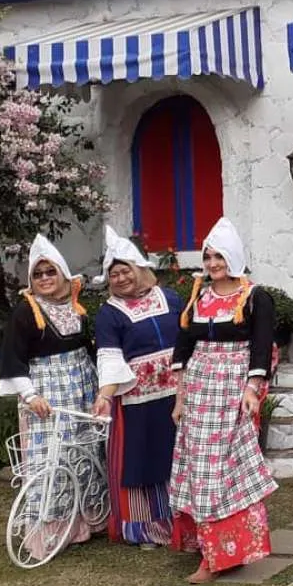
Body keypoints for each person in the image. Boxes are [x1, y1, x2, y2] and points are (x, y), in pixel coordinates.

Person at [168, 217, 278, 583]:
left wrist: (252, 390)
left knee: (226, 470)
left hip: (233, 389)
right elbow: (184, 346)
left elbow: (261, 348)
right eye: (208, 256)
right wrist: (180, 398)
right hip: (200, 389)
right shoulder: (200, 295)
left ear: (234, 257)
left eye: (219, 256)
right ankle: (211, 547)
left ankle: (225, 552)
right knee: (201, 469)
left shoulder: (255, 297)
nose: (213, 264)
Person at [0, 234, 106, 554]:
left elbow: (87, 349)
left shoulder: (77, 308)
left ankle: (84, 523)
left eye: (50, 272)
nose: (45, 279)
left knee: (84, 453)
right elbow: (13, 355)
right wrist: (31, 395)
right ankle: (49, 530)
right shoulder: (25, 311)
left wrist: (101, 386)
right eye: (38, 274)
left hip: (82, 386)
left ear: (61, 273)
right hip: (48, 391)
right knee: (50, 458)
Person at [91, 227, 181, 548]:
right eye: (113, 274)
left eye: (124, 270)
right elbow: (110, 357)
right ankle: (147, 529)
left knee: (177, 455)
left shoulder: (170, 298)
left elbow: (189, 338)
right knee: (143, 460)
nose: (120, 278)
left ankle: (184, 523)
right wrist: (105, 394)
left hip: (177, 394)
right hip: (137, 399)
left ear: (139, 268)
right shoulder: (109, 314)